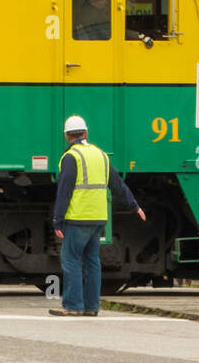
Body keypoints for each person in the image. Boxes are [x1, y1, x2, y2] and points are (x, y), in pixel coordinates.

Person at [50, 114, 145, 316]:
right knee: (92, 261)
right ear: (86, 133)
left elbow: (64, 191)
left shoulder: (71, 157)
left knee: (71, 259)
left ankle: (73, 306)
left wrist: (57, 220)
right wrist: (134, 205)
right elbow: (117, 184)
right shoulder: (101, 155)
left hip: (78, 217)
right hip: (99, 217)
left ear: (67, 136)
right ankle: (92, 307)